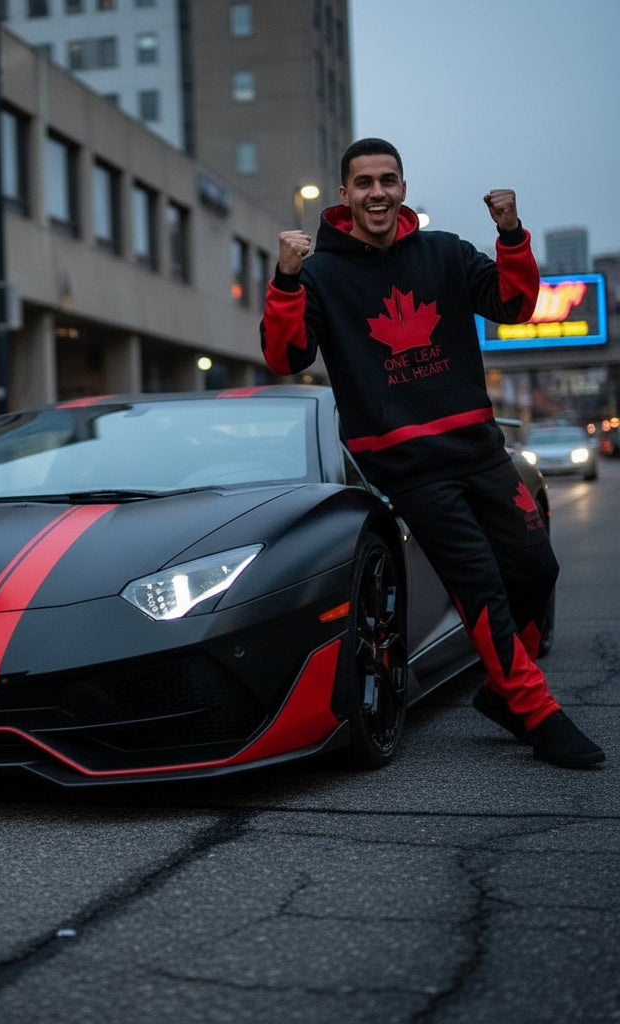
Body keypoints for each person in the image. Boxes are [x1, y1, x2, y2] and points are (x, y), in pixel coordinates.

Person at [260, 138, 604, 770]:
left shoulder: (443, 252)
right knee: (479, 585)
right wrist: (284, 278)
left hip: (477, 448)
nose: (377, 193)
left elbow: (516, 306)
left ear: (402, 187)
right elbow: (285, 357)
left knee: (536, 570)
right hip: (407, 464)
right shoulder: (320, 275)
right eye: (363, 183)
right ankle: (535, 709)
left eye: (388, 180)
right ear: (344, 196)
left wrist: (511, 234)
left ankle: (502, 689)